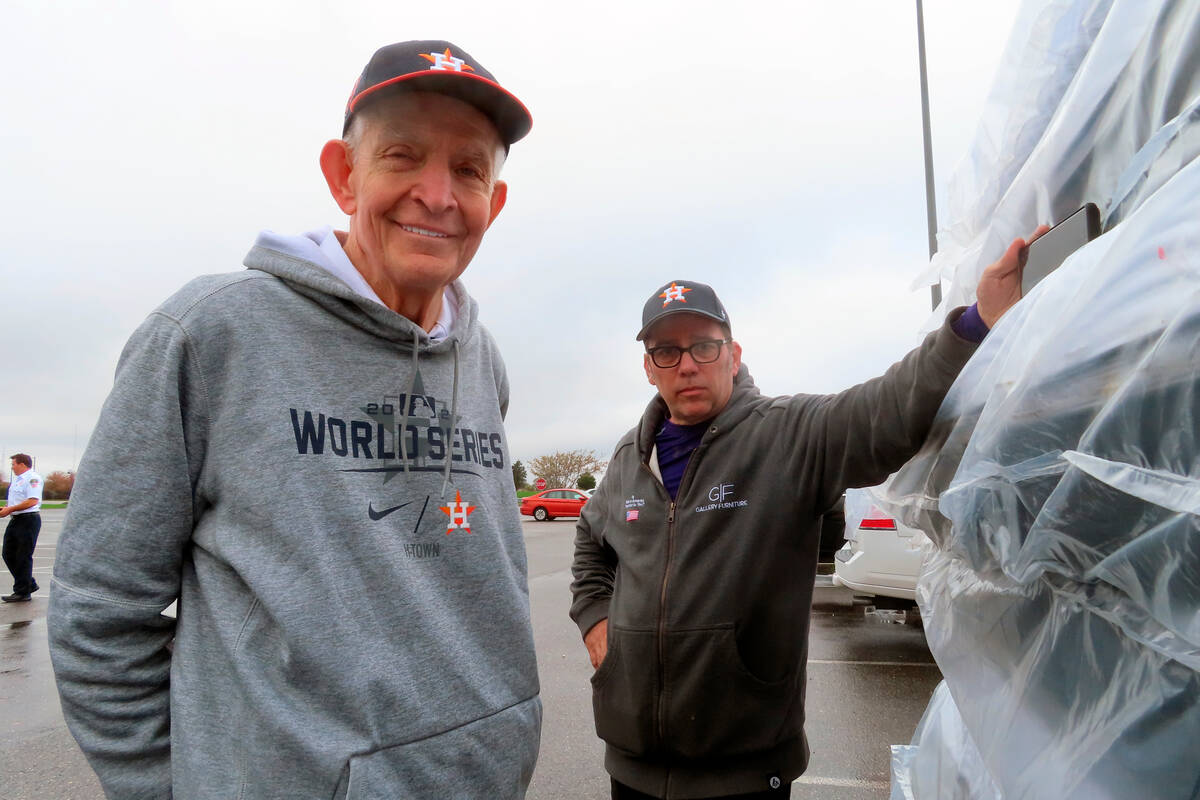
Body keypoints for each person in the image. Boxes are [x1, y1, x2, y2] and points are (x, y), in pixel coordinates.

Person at [48, 40, 541, 799]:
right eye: (403, 156)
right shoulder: (209, 335)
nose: (438, 195)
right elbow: (99, 608)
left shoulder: (484, 361)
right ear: (344, 176)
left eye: (469, 169)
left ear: (494, 203)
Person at [570, 232, 1042, 800]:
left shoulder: (790, 434)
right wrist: (598, 623)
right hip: (632, 767)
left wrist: (976, 322)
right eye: (666, 351)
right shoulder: (628, 458)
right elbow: (590, 540)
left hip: (744, 771)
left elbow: (885, 409)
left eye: (704, 345)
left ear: (734, 353)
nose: (686, 364)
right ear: (649, 368)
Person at [2, 454, 43, 602]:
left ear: (23, 464)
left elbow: (32, 501)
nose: (12, 467)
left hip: (28, 520)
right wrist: (7, 509)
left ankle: (22, 592)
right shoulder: (18, 481)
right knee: (8, 553)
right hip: (16, 519)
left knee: (23, 556)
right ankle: (28, 583)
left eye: (13, 464)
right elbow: (18, 501)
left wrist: (10, 509)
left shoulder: (33, 478)